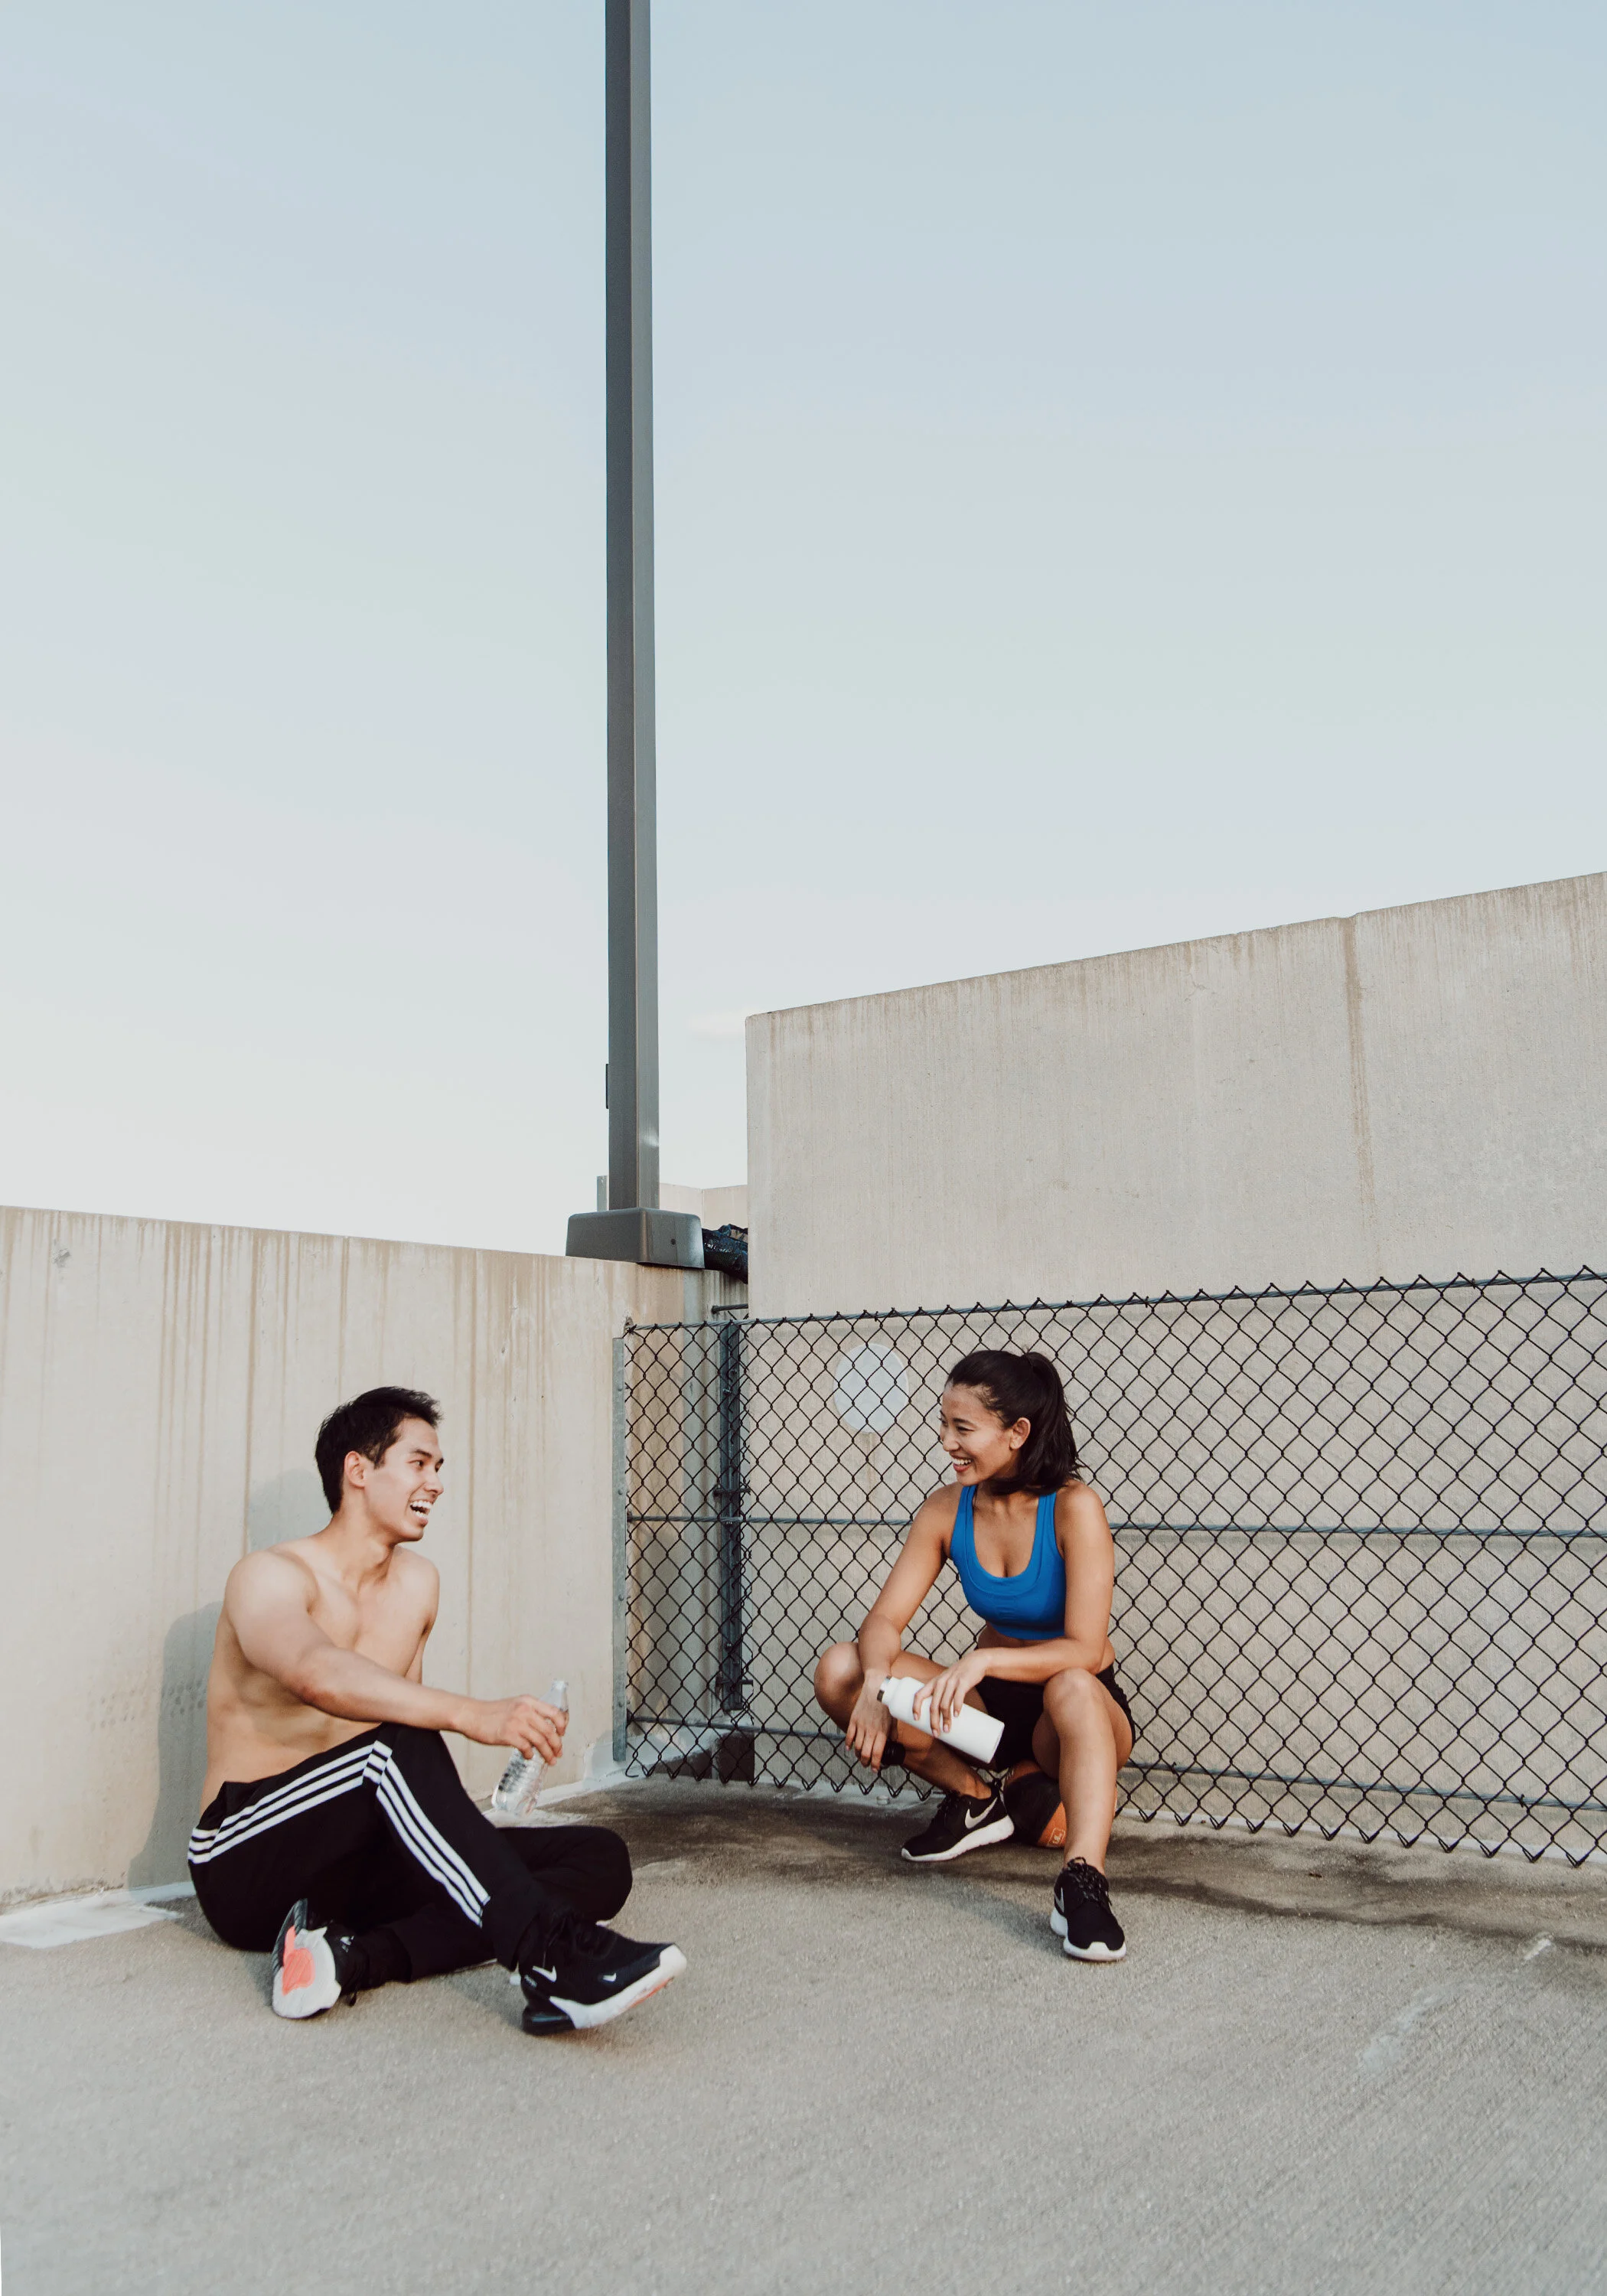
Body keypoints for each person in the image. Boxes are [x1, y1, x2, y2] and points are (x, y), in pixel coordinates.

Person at [188, 1385, 684, 2033]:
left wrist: (465, 1831)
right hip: (248, 1863)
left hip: (356, 1866)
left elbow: (398, 1732)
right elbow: (317, 1674)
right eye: (419, 1463)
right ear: (358, 1470)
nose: (437, 1484)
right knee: (396, 1747)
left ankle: (348, 1960)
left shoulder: (418, 1585)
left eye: (439, 1467)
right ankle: (552, 1960)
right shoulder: (269, 1576)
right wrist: (474, 1715)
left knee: (598, 1860)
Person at [813, 1351, 1136, 1961]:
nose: (947, 1443)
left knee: (1071, 1682)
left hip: (1072, 1717)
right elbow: (884, 1620)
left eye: (962, 1428)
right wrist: (878, 1684)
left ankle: (1083, 1884)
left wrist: (985, 1662)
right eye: (944, 1425)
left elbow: (1086, 1647)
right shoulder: (946, 1508)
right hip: (990, 1715)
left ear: (1017, 1433)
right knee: (841, 1671)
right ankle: (976, 1802)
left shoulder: (1074, 1507)